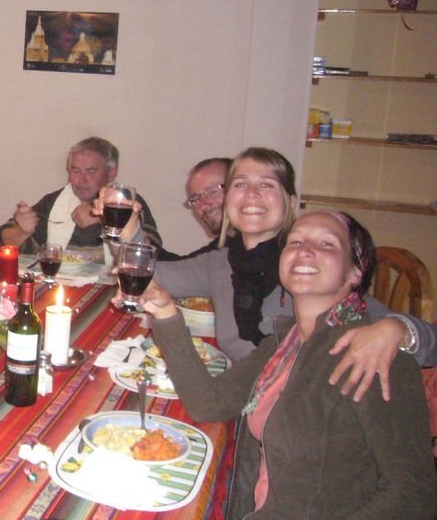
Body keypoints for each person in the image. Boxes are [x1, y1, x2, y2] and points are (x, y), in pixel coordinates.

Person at [139, 211, 437, 520]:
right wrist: (166, 314)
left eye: (327, 244)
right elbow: (210, 403)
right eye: (296, 241)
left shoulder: (372, 356)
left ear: (355, 272)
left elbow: (415, 496)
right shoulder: (285, 344)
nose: (306, 250)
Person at [151, 147, 435, 398]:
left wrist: (398, 329)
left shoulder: (305, 268)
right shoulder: (221, 263)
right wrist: (125, 226)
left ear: (291, 200)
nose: (251, 194)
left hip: (298, 419)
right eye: (240, 184)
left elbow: (427, 343)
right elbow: (151, 275)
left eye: (266, 184)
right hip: (242, 396)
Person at [0, 136, 161, 254]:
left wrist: (105, 217)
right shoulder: (53, 202)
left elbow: (152, 253)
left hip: (112, 291)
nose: (81, 180)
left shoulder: (128, 204)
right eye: (75, 170)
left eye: (91, 171)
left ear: (111, 173)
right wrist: (21, 231)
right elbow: (0, 240)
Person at [158, 156, 231, 262]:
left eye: (211, 192)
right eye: (195, 199)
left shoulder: (255, 252)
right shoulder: (224, 247)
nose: (203, 205)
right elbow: (182, 268)